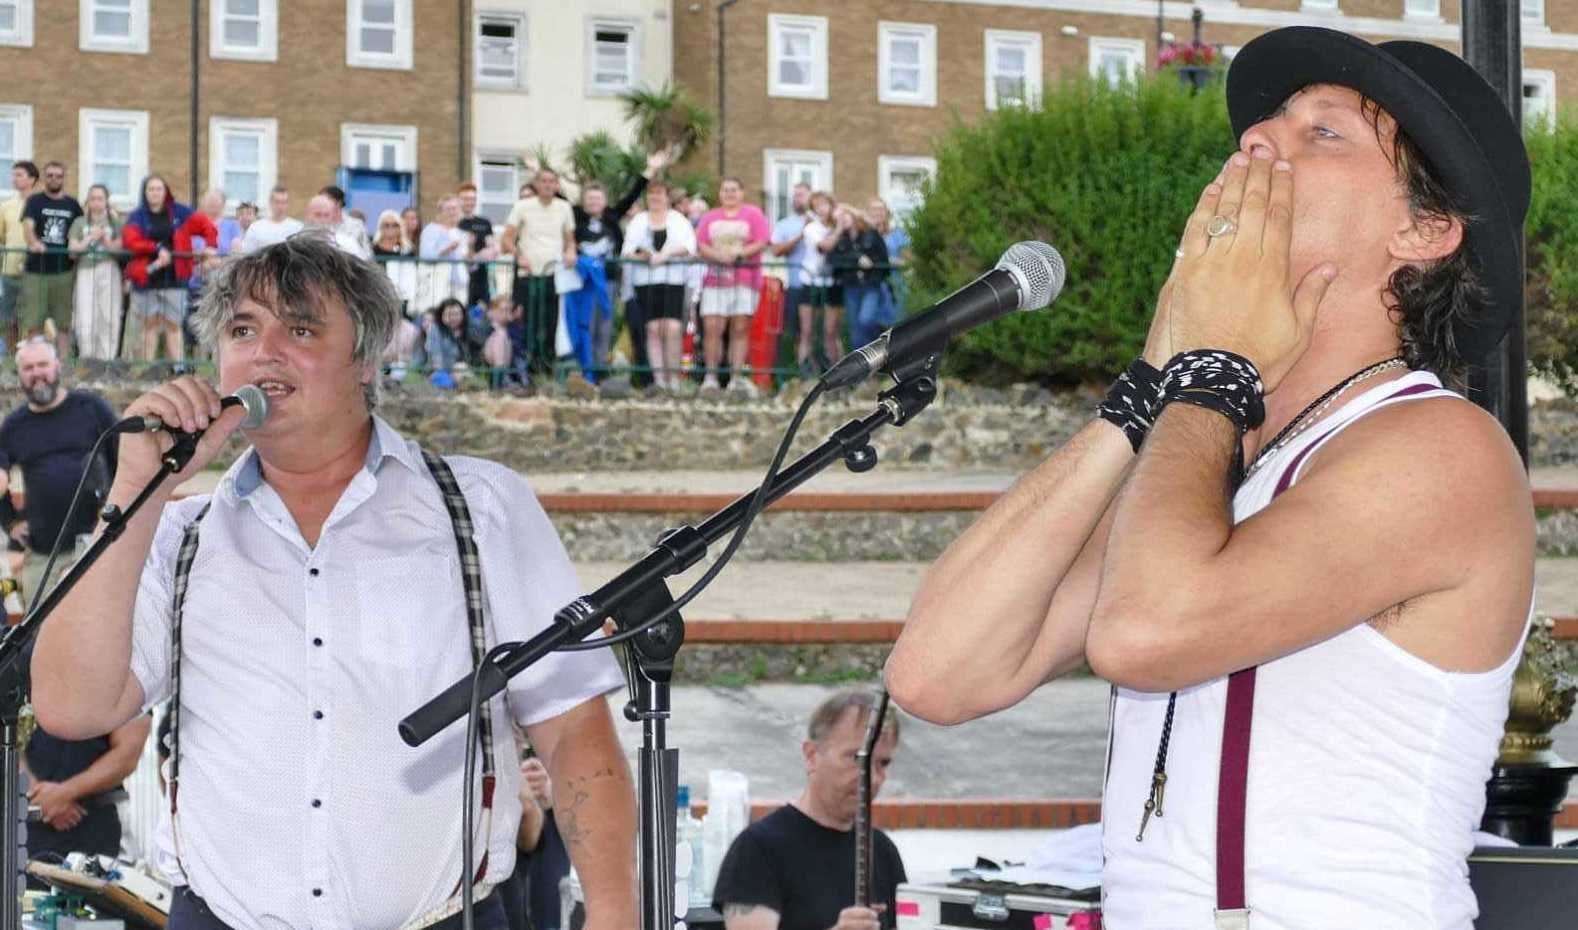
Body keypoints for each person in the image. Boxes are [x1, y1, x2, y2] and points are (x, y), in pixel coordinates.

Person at [887, 27, 1534, 930]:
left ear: (1423, 230)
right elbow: (937, 674)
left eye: (1325, 133)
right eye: (1270, 121)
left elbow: (1146, 632)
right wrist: (1147, 389)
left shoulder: (1441, 449)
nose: (1258, 141)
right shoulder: (1210, 458)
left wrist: (1213, 368)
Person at [29, 233, 638, 930]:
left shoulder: (481, 508)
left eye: (301, 327)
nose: (264, 352)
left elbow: (574, 733)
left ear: (368, 360)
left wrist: (614, 911)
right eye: (242, 329)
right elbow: (71, 708)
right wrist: (138, 486)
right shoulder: (176, 533)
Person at [712, 690, 905, 930]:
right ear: (812, 755)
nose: (873, 778)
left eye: (883, 763)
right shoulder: (759, 849)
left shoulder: (882, 852)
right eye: (857, 758)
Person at [0, 338, 119, 598]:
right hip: (42, 555)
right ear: (19, 375)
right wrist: (9, 522)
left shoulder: (92, 409)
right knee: (37, 634)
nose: (36, 374)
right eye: (28, 368)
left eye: (42, 364)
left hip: (94, 545)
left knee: (94, 630)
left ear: (57, 366)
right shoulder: (13, 427)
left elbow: (122, 461)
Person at [24, 710, 151, 864]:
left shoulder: (127, 686)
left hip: (92, 822)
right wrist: (38, 796)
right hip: (27, 819)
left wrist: (63, 794)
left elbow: (127, 754)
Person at [122, 175, 218, 363]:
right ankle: (147, 369)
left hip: (175, 277)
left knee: (173, 326)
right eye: (151, 189)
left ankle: (178, 368)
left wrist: (210, 246)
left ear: (165, 192)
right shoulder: (137, 216)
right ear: (145, 192)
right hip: (147, 277)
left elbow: (207, 226)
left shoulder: (180, 212)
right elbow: (131, 241)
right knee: (149, 326)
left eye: (159, 189)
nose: (155, 193)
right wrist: (156, 249)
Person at [694, 178, 770, 395]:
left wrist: (739, 254)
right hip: (715, 280)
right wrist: (718, 255)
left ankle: (736, 376)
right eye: (725, 190)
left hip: (745, 279)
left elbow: (762, 240)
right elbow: (701, 244)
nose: (729, 193)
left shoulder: (753, 214)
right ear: (720, 193)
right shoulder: (710, 217)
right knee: (712, 327)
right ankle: (711, 376)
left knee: (740, 327)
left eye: (734, 190)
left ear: (742, 192)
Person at [621, 181, 697, 393]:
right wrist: (643, 255)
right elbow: (628, 250)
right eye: (651, 194)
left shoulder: (678, 220)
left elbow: (689, 246)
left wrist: (667, 254)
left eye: (659, 194)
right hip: (645, 281)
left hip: (672, 280)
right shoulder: (638, 221)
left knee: (672, 328)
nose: (655, 198)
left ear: (667, 197)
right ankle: (659, 379)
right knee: (653, 329)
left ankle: (674, 377)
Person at [501, 168, 576, 375]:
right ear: (536, 184)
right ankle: (531, 373)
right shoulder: (522, 206)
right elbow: (506, 240)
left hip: (555, 274)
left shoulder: (564, 208)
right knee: (530, 324)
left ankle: (549, 370)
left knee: (551, 323)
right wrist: (519, 255)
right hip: (529, 274)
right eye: (543, 181)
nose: (548, 185)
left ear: (557, 185)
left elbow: (570, 241)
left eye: (552, 181)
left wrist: (571, 252)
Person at [20, 161, 83, 359]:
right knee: (34, 321)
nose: (54, 179)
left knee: (63, 322)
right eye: (50, 175)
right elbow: (28, 226)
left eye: (58, 175)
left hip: (63, 271)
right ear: (44, 178)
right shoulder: (35, 201)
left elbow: (81, 227)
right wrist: (34, 243)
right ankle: (35, 360)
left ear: (64, 178)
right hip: (36, 270)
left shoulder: (73, 205)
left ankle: (63, 364)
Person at [67, 184, 123, 361]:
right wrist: (90, 238)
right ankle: (86, 358)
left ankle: (106, 358)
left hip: (109, 269)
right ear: (88, 202)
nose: (97, 202)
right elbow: (72, 251)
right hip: (85, 270)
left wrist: (104, 239)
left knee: (108, 315)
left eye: (100, 199)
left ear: (106, 202)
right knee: (85, 314)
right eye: (93, 199)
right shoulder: (79, 222)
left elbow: (120, 250)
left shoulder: (115, 223)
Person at [829, 205, 889, 350]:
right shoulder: (840, 239)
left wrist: (873, 266)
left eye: (845, 216)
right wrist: (857, 259)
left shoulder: (870, 234)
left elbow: (883, 259)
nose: (843, 220)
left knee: (866, 319)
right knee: (855, 327)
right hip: (851, 285)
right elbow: (835, 260)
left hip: (871, 285)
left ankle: (880, 343)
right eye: (839, 218)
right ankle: (863, 365)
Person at [769, 183, 812, 375]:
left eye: (801, 195)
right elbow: (776, 250)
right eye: (794, 196)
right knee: (793, 331)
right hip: (795, 285)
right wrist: (800, 235)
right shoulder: (785, 224)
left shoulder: (823, 221)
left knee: (815, 331)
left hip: (819, 284)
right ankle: (794, 371)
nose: (797, 199)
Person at [797, 192, 842, 378]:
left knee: (831, 331)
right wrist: (839, 229)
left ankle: (837, 370)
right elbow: (825, 246)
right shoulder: (811, 229)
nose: (821, 209)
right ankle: (805, 371)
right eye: (817, 206)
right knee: (807, 330)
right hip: (811, 280)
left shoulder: (838, 225)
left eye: (825, 204)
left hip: (833, 282)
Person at [0, 161, 39, 353]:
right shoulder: (5, 206)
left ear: (32, 179)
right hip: (9, 270)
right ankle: (11, 356)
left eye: (19, 175)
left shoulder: (41, 204)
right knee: (9, 318)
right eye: (13, 174)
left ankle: (30, 356)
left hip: (33, 272)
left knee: (32, 318)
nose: (14, 178)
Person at [420, 196, 470, 312]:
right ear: (440, 211)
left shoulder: (461, 233)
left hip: (460, 285)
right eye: (449, 209)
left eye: (456, 209)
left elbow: (467, 263)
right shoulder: (431, 229)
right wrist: (446, 249)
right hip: (438, 285)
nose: (453, 212)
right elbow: (426, 256)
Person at [869, 199, 909, 332]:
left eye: (880, 209)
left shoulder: (898, 234)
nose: (877, 213)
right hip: (872, 287)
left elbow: (908, 261)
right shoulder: (865, 236)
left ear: (887, 213)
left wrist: (887, 261)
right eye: (873, 210)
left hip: (895, 286)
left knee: (896, 326)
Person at [457, 183, 499, 310]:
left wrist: (475, 258)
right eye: (465, 199)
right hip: (459, 277)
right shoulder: (456, 222)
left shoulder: (484, 222)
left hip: (481, 277)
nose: (469, 202)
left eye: (472, 199)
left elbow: (493, 249)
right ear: (459, 200)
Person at [238, 186, 302, 254]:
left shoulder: (297, 228)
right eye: (277, 202)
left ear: (288, 204)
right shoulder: (256, 228)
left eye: (284, 202)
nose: (280, 206)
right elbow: (246, 255)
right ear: (270, 203)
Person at [318, 185, 372, 259]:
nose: (321, 204)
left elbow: (367, 253)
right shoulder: (319, 225)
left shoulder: (356, 225)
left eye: (325, 200)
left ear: (338, 203)